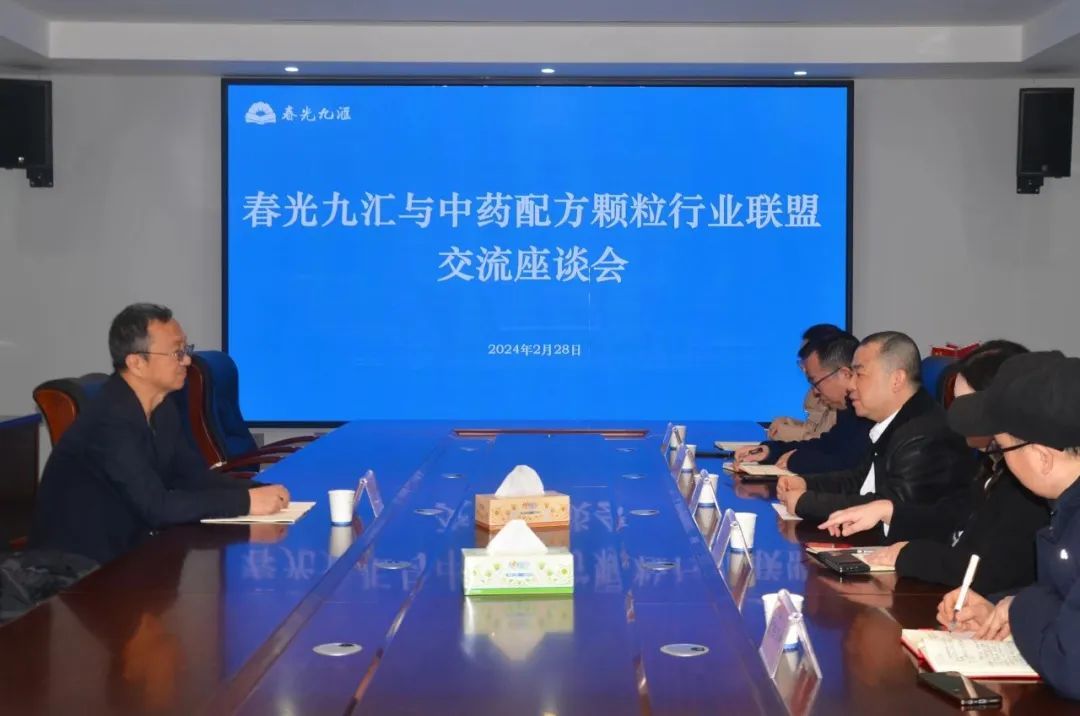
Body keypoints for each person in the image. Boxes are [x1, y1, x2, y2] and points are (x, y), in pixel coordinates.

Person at [28, 303, 290, 566]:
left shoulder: (163, 407)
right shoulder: (109, 420)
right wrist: (245, 502)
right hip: (77, 571)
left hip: (130, 554)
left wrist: (259, 491)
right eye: (177, 352)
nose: (187, 360)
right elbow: (157, 507)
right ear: (137, 363)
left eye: (186, 349)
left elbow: (193, 478)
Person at [818, 341, 1049, 594]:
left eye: (965, 405)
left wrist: (910, 555)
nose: (955, 416)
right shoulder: (990, 465)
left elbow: (989, 571)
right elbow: (952, 517)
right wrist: (889, 510)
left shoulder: (1028, 482)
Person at [935, 351, 1080, 700]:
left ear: (1043, 457)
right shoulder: (1065, 508)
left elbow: (1072, 665)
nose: (1000, 459)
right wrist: (1001, 607)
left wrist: (1018, 607)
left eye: (1002, 447)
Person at [775, 331, 975, 540]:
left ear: (896, 380)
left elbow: (885, 511)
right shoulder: (894, 421)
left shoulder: (923, 436)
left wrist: (806, 502)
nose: (850, 385)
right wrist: (806, 483)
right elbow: (861, 479)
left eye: (859, 374)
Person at [734, 332, 872, 475]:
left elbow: (852, 465)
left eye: (816, 382)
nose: (815, 392)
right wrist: (771, 451)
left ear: (844, 374)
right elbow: (827, 445)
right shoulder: (848, 410)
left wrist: (796, 460)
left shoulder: (869, 412)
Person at [767, 323, 843, 441]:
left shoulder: (845, 399)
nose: (803, 367)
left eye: (806, 356)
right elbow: (814, 429)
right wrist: (788, 422)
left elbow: (833, 444)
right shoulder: (814, 391)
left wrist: (797, 435)